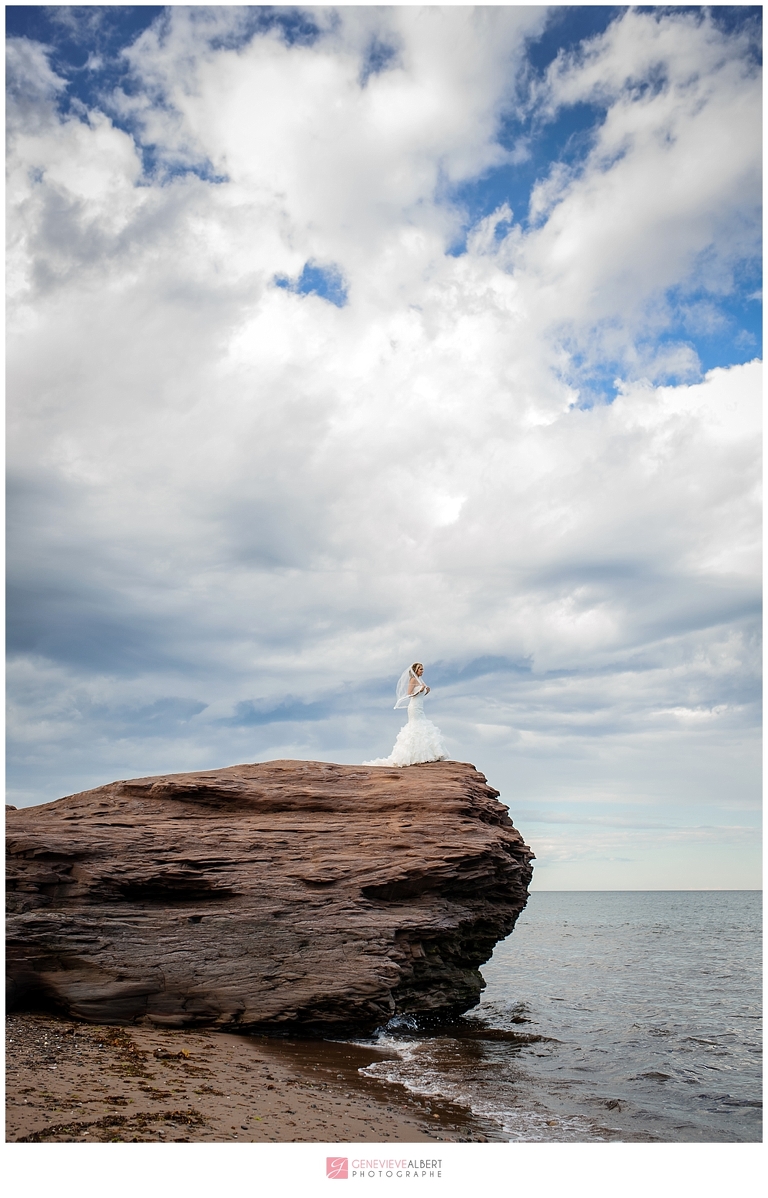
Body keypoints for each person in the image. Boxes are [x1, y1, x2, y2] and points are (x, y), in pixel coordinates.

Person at [364, 663, 448, 766]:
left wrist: (426, 691)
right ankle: (414, 756)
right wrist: (420, 691)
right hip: (414, 707)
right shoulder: (413, 680)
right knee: (416, 726)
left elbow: (420, 695)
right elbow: (409, 694)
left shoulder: (420, 680)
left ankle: (426, 754)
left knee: (423, 726)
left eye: (422, 669)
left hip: (420, 707)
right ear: (415, 670)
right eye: (420, 669)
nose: (422, 671)